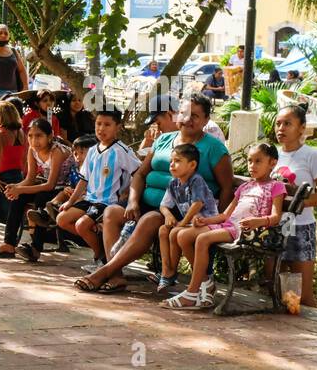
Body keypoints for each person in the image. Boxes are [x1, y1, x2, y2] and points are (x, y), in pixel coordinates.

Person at [76, 94, 233, 294]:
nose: (188, 119)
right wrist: (133, 202)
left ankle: (104, 271)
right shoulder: (164, 140)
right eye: (184, 113)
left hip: (180, 211)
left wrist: (214, 220)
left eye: (195, 115)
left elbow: (227, 187)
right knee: (112, 213)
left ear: (206, 120)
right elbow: (141, 173)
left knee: (150, 220)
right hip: (146, 202)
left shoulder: (213, 148)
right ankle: (116, 277)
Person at [167, 143, 285, 310]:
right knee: (182, 236)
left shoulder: (276, 186)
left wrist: (258, 221)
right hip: (229, 225)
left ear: (272, 163)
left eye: (258, 161)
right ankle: (206, 282)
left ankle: (192, 293)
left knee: (202, 238)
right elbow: (225, 216)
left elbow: (276, 217)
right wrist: (205, 221)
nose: (252, 166)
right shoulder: (245, 187)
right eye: (250, 161)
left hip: (246, 232)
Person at [54, 109, 139, 271]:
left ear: (118, 127)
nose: (101, 128)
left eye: (107, 125)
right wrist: (70, 202)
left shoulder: (122, 151)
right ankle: (101, 247)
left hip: (107, 202)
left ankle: (101, 258)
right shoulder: (93, 150)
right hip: (89, 200)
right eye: (98, 124)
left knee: (81, 225)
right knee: (62, 219)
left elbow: (138, 173)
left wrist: (128, 194)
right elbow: (84, 179)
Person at [272, 103, 317, 308]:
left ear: (302, 128)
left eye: (287, 123)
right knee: (279, 291)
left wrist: (298, 204)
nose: (281, 128)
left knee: (304, 296)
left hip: (301, 228)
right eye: (278, 123)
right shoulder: (274, 156)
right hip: (275, 228)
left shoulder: (311, 155)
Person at [0, 117, 69, 262]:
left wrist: (21, 189)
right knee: (18, 198)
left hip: (66, 189)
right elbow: (30, 179)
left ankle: (36, 248)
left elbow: (50, 185)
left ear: (50, 137)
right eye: (30, 136)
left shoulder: (57, 152)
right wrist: (16, 187)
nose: (34, 140)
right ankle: (9, 243)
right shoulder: (32, 150)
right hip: (49, 187)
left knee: (42, 198)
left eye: (39, 136)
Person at [154, 142, 219, 293]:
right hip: (190, 223)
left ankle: (203, 277)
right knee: (164, 230)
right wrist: (168, 215)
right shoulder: (173, 183)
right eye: (171, 161)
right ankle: (167, 272)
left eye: (177, 161)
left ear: (192, 165)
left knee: (176, 233)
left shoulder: (196, 180)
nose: (172, 164)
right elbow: (164, 205)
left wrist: (182, 222)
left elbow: (197, 204)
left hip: (206, 222)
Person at [0, 100, 26, 225]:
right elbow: (24, 155)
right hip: (17, 175)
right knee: (13, 212)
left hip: (1, 177)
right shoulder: (20, 132)